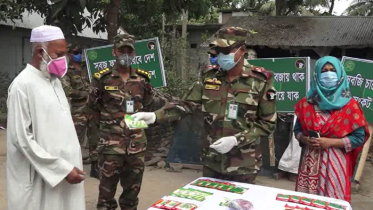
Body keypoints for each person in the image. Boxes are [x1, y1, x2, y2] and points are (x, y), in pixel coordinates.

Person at [133, 27, 277, 183]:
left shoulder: (261, 80)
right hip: (212, 160)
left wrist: (237, 140)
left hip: (244, 164)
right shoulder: (209, 77)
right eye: (218, 51)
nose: (221, 55)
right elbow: (186, 105)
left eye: (225, 50)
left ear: (242, 50)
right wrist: (155, 115)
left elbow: (267, 123)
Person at [6, 25, 85, 210]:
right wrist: (61, 169)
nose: (64, 60)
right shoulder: (22, 86)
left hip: (67, 173)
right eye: (59, 54)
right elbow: (21, 138)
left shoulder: (54, 82)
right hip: (42, 177)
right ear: (41, 52)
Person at [87, 33, 156, 210]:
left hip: (136, 147)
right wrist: (94, 148)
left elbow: (147, 107)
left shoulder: (143, 79)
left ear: (134, 54)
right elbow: (93, 111)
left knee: (131, 197)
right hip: (110, 146)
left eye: (129, 51)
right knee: (106, 197)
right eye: (121, 50)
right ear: (114, 52)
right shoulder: (102, 79)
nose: (125, 54)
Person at [293, 56, 369, 202]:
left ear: (340, 74)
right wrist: (305, 139)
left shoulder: (350, 105)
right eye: (324, 71)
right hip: (310, 165)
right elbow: (297, 131)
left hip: (336, 164)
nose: (329, 74)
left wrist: (331, 142)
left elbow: (359, 137)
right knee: (308, 203)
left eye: (333, 70)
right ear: (317, 75)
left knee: (332, 202)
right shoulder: (306, 103)